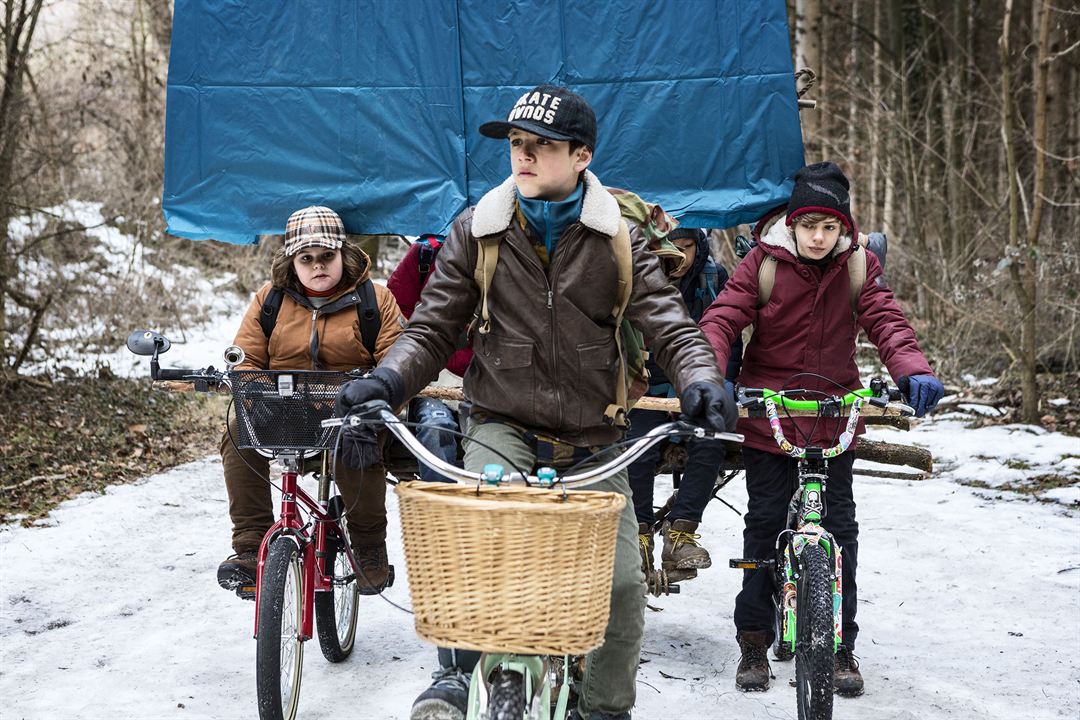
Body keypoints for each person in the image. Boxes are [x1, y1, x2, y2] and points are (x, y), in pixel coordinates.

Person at [337, 84, 736, 720]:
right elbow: (432, 327)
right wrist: (388, 380)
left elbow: (671, 326)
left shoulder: (619, 237)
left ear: (581, 156)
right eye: (517, 144)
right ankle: (456, 674)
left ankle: (604, 708)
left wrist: (701, 380)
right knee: (477, 549)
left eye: (540, 146)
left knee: (623, 586)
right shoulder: (478, 229)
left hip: (595, 438)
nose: (522, 156)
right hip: (500, 421)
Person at [698, 162, 944, 696]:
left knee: (841, 533)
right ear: (792, 221)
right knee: (763, 527)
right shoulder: (763, 262)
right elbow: (722, 318)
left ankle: (840, 647)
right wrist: (711, 373)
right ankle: (754, 641)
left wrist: (912, 369)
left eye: (829, 227)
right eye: (809, 224)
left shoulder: (859, 265)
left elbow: (886, 320)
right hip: (769, 416)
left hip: (834, 418)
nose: (817, 236)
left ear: (844, 228)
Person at [216, 205, 405, 598]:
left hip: (353, 410)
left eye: (326, 257)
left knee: (357, 440)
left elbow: (399, 361)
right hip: (286, 410)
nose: (317, 266)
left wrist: (375, 395)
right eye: (306, 258)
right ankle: (250, 547)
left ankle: (368, 546)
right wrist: (252, 396)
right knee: (237, 431)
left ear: (343, 254)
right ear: (293, 262)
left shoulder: (376, 300)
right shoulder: (270, 300)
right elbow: (245, 356)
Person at [627, 227, 741, 583]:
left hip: (697, 386)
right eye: (670, 247)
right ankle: (639, 534)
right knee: (636, 447)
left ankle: (681, 534)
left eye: (687, 247)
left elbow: (730, 338)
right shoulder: (633, 274)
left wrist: (725, 382)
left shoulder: (713, 277)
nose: (679, 255)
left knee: (712, 439)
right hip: (644, 388)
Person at [385, 234, 472, 483]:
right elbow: (395, 309)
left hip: (488, 381)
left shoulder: (507, 252)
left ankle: (484, 514)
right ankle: (440, 510)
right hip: (434, 381)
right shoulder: (424, 254)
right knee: (435, 428)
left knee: (491, 443)